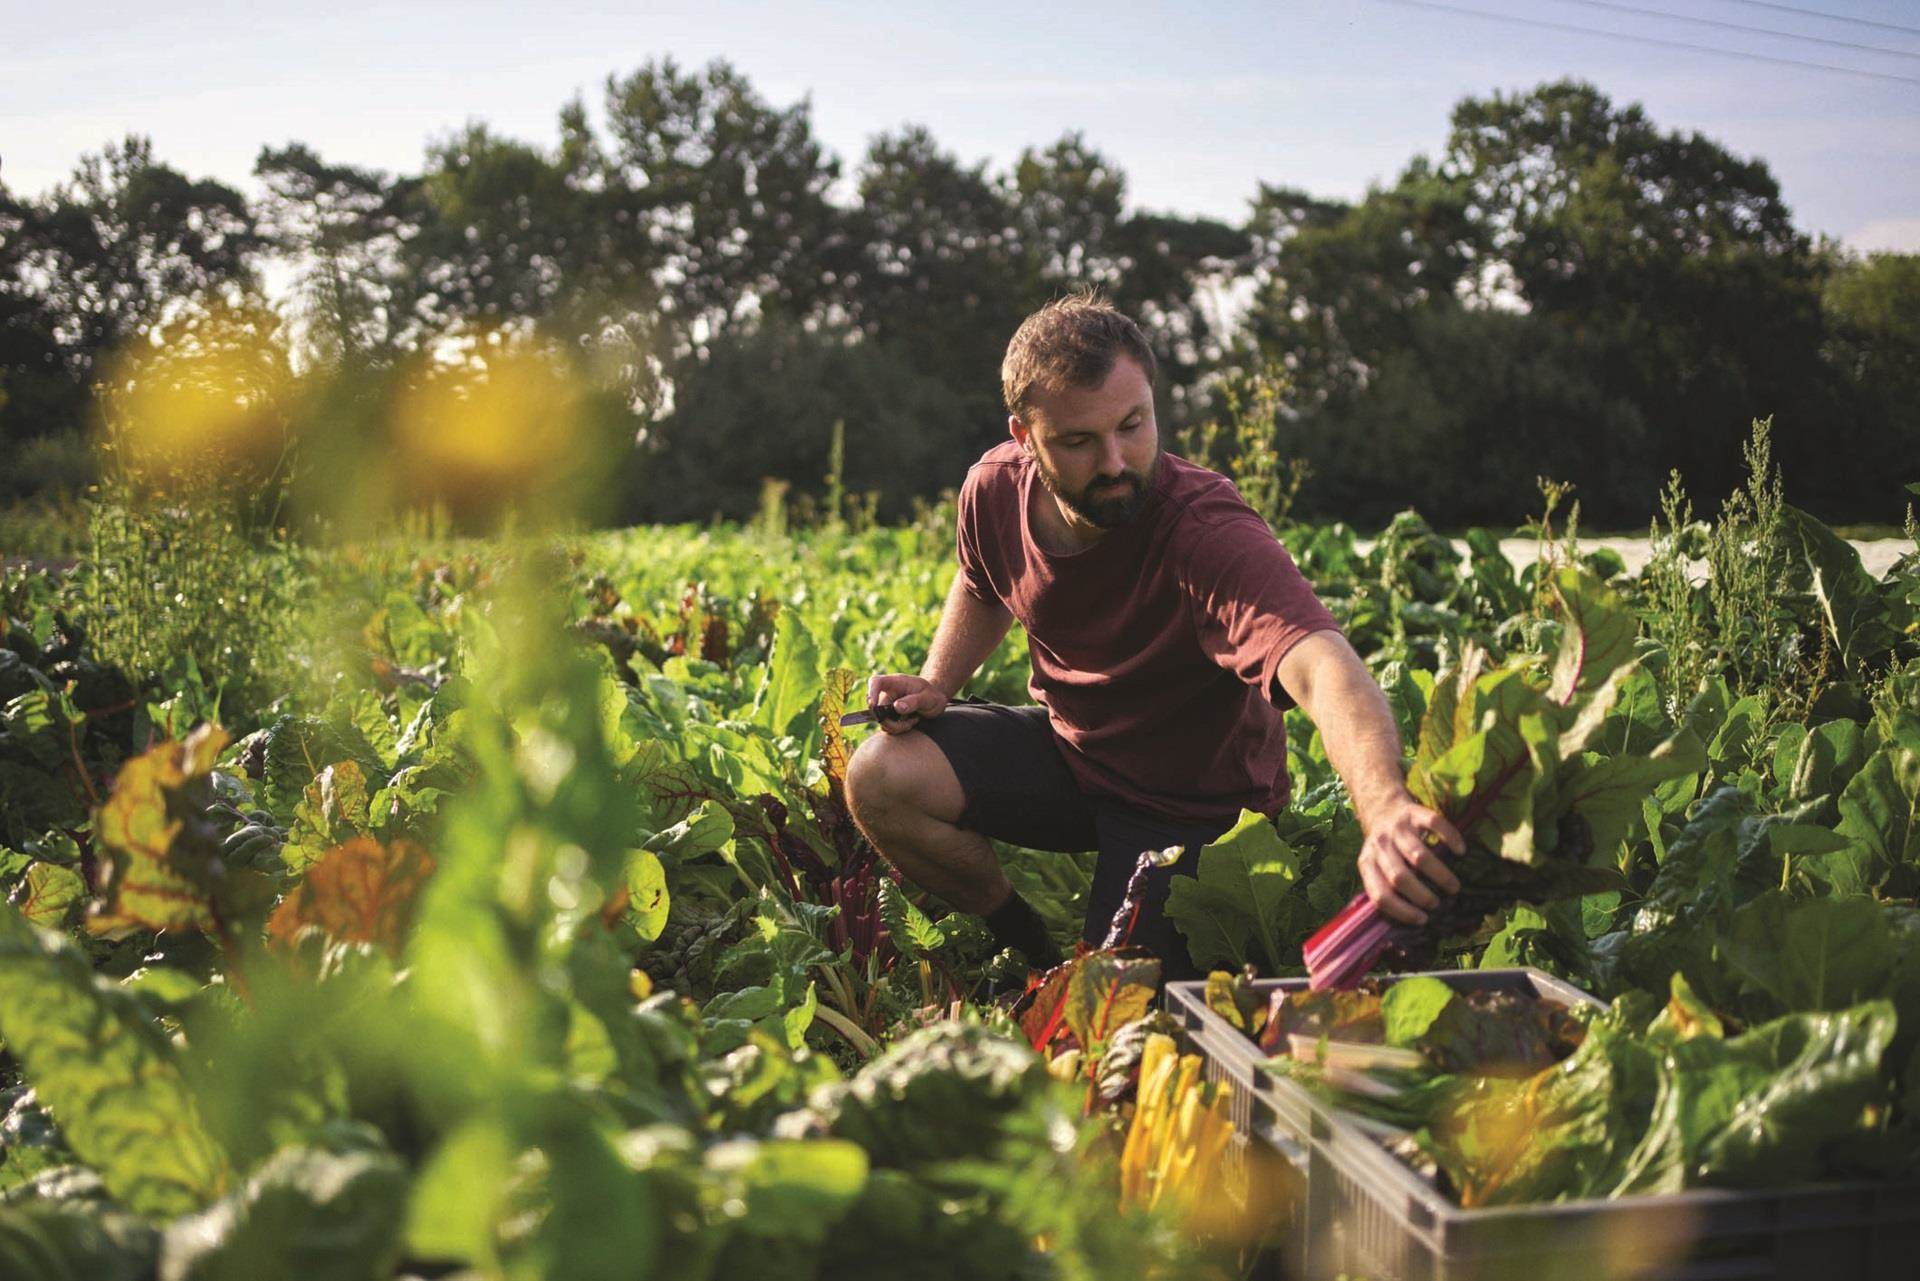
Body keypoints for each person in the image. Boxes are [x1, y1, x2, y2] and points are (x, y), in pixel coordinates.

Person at [844, 292, 1464, 980]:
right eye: (1079, 441)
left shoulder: (1203, 531)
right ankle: (1026, 937)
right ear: (1025, 438)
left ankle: (1102, 949)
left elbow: (1320, 663)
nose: (1115, 461)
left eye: (1133, 425)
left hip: (1192, 808)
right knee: (880, 775)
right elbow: (982, 581)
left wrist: (1385, 809)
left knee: (1110, 1010)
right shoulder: (993, 489)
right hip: (1072, 758)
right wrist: (938, 684)